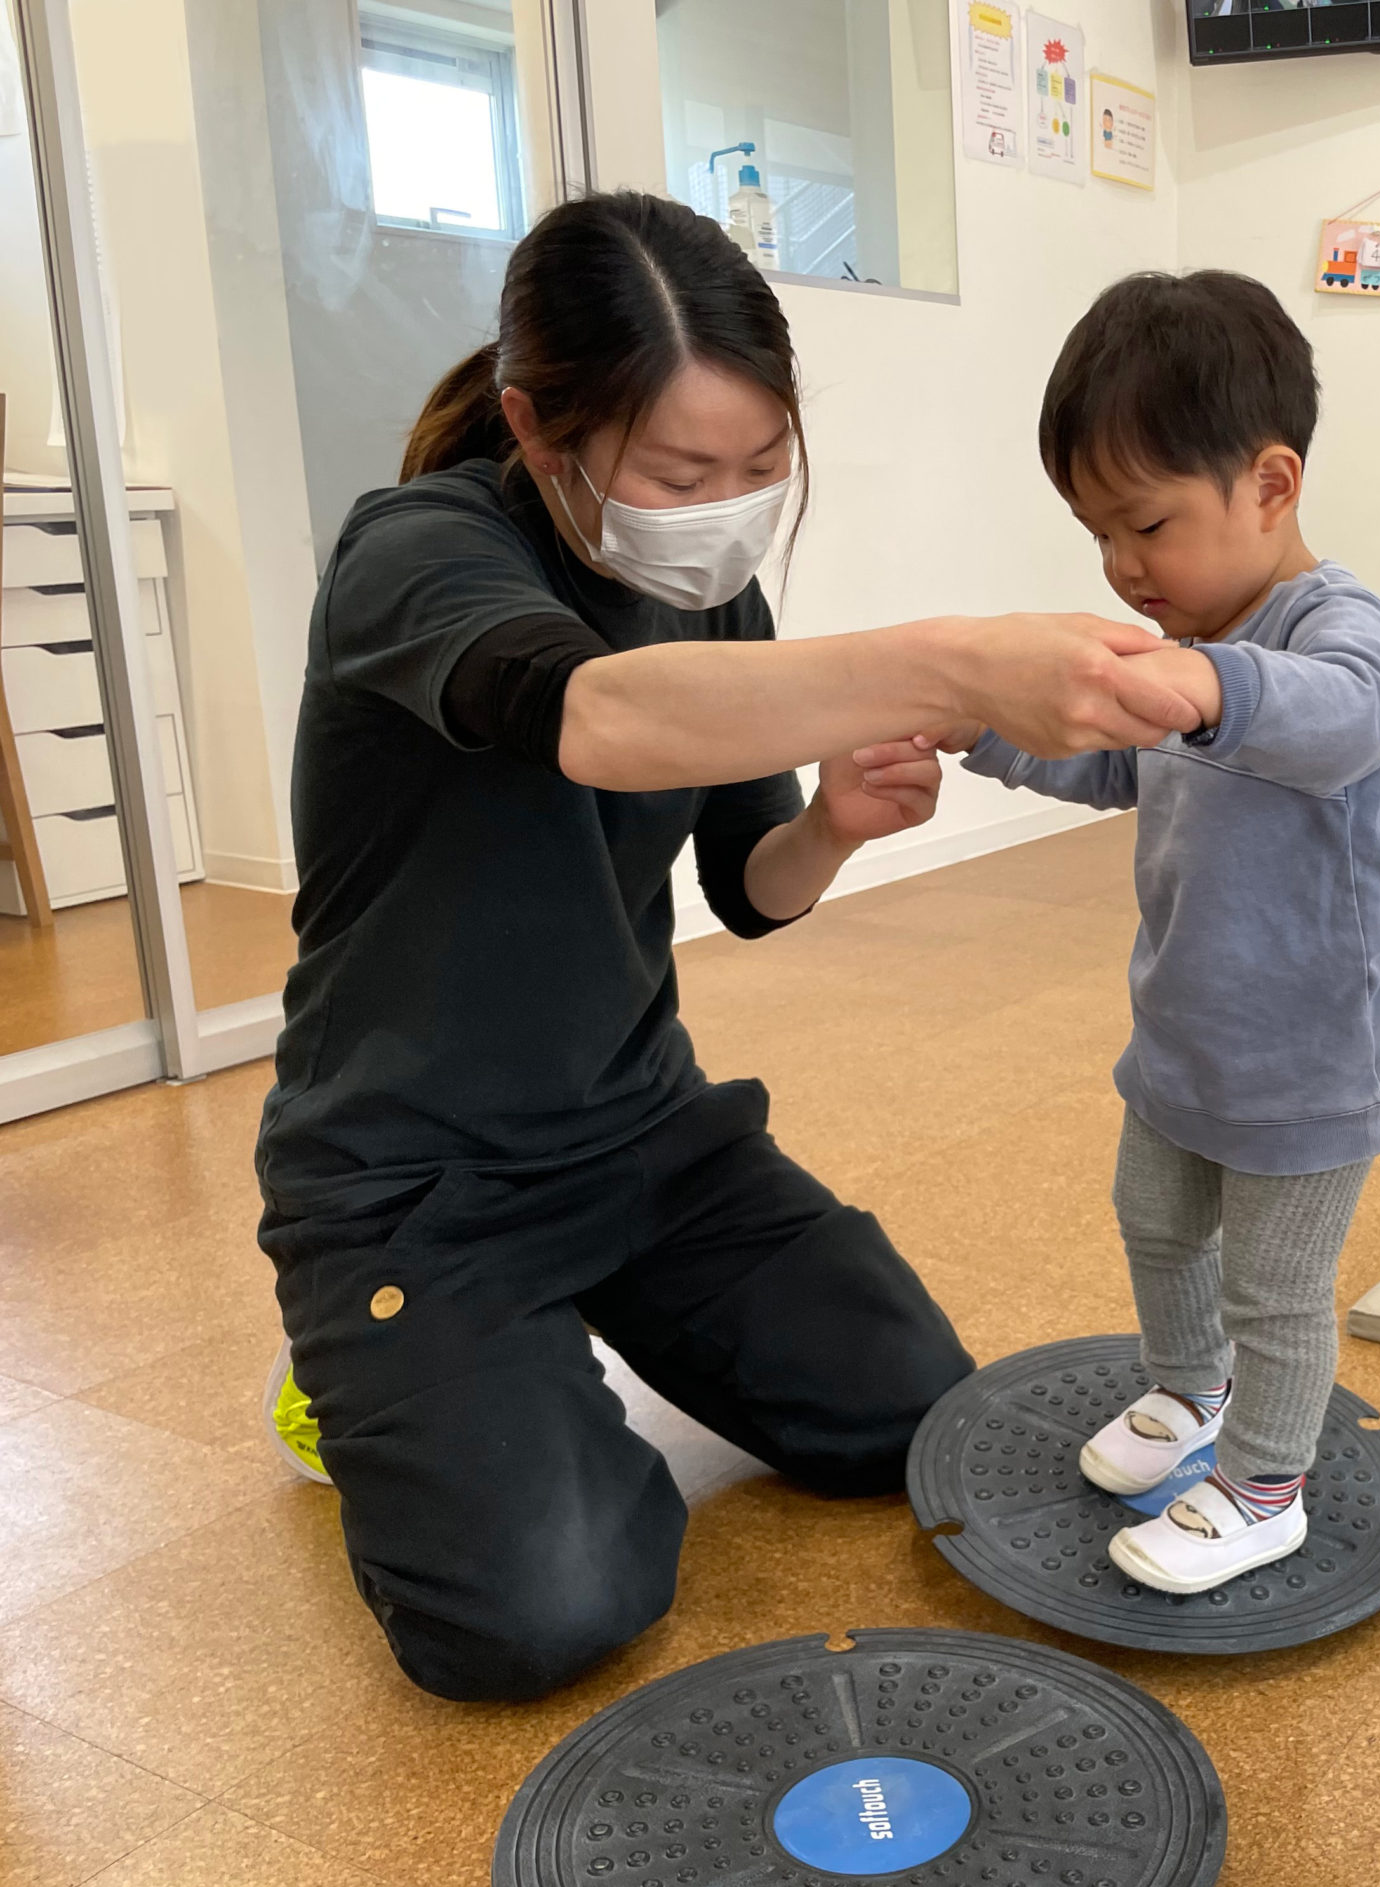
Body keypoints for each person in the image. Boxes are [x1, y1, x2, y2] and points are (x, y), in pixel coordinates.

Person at [254, 191, 1203, 1703]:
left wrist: (832, 824)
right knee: (549, 1611)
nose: (727, 507)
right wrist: (957, 659)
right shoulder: (420, 552)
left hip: (644, 1138)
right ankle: (381, 1373)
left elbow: (750, 890)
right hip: (415, 1178)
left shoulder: (714, 594)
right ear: (539, 429)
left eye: (761, 467)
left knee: (913, 1413)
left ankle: (523, 1353)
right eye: (681, 473)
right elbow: (596, 720)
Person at [864, 269, 1380, 1594]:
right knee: (1157, 1225)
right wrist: (984, 729)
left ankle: (1267, 1488)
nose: (1123, 566)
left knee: (1276, 1287)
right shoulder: (1183, 650)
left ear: (1271, 484)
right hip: (1182, 1034)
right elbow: (1115, 762)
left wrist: (1201, 680)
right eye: (1098, 533)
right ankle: (1190, 1391)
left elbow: (1344, 716)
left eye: (1149, 524)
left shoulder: (1338, 631)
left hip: (1310, 1061)